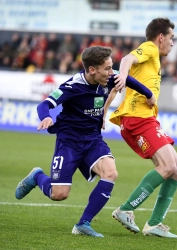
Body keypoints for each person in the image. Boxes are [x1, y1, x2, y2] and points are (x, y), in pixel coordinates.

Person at [15, 46, 156, 237]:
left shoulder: (109, 77)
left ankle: (83, 223)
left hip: (93, 140)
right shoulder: (73, 86)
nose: (111, 72)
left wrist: (148, 94)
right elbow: (45, 104)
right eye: (107, 68)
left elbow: (128, 80)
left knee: (111, 172)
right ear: (92, 70)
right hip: (69, 142)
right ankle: (37, 177)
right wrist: (45, 117)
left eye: (111, 67)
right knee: (59, 194)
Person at [108, 17, 177, 238]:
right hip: (138, 119)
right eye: (171, 37)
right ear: (161, 37)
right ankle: (126, 209)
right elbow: (126, 59)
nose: (172, 42)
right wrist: (123, 75)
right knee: (169, 166)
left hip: (147, 119)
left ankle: (154, 224)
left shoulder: (155, 58)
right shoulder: (150, 48)